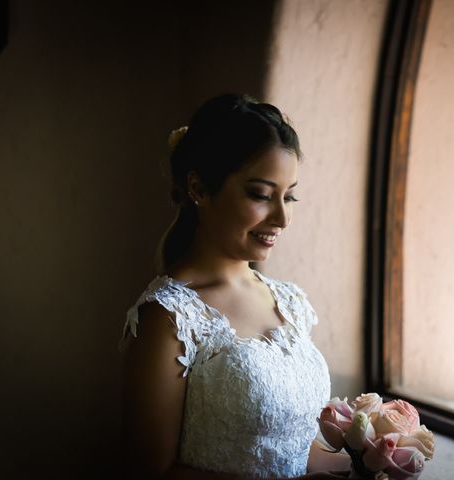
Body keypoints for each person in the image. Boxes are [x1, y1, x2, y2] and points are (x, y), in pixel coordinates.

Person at [119, 94, 351, 479]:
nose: (282, 217)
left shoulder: (288, 301)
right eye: (261, 195)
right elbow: (150, 473)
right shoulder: (167, 317)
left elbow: (288, 445)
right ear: (199, 188)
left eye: (289, 195)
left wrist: (368, 462)